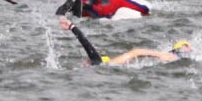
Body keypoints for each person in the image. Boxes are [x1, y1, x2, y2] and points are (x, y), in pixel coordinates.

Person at [58, 16, 188, 66]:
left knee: (140, 53)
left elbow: (86, 44)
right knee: (146, 54)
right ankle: (178, 50)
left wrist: (71, 26)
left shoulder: (97, 62)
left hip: (131, 56)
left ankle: (176, 51)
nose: (84, 63)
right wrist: (71, 27)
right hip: (129, 58)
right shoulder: (101, 63)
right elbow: (87, 44)